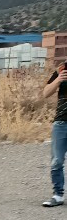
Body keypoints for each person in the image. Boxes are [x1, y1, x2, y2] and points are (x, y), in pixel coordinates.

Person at [42, 60, 67, 207]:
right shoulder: (62, 69)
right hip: (61, 122)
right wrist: (58, 79)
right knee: (57, 161)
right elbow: (45, 93)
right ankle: (58, 195)